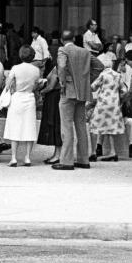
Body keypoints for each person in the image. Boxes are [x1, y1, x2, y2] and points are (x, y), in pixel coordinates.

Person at [52, 30, 92, 171]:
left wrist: (62, 83)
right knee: (81, 126)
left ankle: (67, 161)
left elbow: (62, 66)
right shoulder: (85, 51)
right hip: (82, 92)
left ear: (62, 40)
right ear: (74, 38)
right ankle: (83, 159)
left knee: (66, 126)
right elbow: (99, 66)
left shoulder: (63, 50)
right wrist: (86, 80)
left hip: (68, 91)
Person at [3, 46, 41, 167]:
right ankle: (27, 157)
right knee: (29, 127)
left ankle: (14, 158)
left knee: (15, 126)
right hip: (29, 98)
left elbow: (8, 85)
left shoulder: (15, 68)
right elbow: (36, 86)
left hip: (17, 98)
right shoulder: (36, 70)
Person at [88, 54, 128, 162]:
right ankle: (113, 153)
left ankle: (93, 152)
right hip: (114, 105)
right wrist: (119, 100)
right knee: (111, 128)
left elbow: (93, 87)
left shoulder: (102, 74)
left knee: (94, 127)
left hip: (103, 104)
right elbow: (124, 91)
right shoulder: (118, 75)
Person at [37, 56, 62, 164]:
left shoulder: (56, 69)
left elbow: (51, 86)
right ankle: (56, 154)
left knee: (55, 123)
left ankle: (58, 155)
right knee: (56, 124)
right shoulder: (57, 68)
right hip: (54, 97)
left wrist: (42, 92)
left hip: (53, 97)